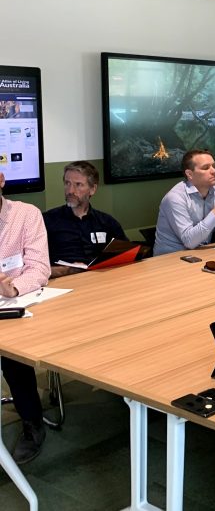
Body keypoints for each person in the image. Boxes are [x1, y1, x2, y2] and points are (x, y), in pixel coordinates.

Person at [0, 172, 51, 463]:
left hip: (16, 302)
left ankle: (32, 423)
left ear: (1, 180)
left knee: (14, 355)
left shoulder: (26, 215)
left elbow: (39, 267)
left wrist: (14, 287)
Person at [43, 161, 128, 278]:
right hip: (63, 282)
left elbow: (126, 256)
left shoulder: (107, 222)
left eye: (78, 185)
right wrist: (66, 271)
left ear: (92, 189)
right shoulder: (47, 221)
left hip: (101, 281)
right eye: (67, 183)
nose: (70, 191)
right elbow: (33, 268)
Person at [153, 149, 215, 255]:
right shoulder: (175, 198)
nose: (214, 171)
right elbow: (189, 241)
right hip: (170, 259)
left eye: (213, 166)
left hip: (201, 254)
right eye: (206, 168)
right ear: (189, 174)